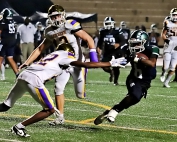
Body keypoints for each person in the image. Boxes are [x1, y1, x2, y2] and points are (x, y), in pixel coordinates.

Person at [0, 43, 126, 137]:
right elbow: (86, 65)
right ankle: (19, 127)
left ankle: (18, 126)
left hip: (23, 75)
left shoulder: (52, 55)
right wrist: (110, 63)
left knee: (6, 105)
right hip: (34, 79)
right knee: (49, 110)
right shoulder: (66, 56)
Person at [19, 5, 99, 125]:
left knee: (80, 95)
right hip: (62, 63)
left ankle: (82, 83)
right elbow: (40, 49)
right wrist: (27, 61)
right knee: (58, 88)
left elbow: (89, 39)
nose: (56, 18)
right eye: (53, 16)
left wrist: (94, 58)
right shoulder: (49, 31)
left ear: (63, 15)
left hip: (77, 62)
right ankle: (60, 117)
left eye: (57, 15)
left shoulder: (70, 24)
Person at [94, 30, 159, 125]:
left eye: (136, 43)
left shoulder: (152, 48)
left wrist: (138, 59)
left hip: (145, 81)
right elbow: (121, 59)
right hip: (133, 78)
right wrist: (111, 62)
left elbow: (152, 63)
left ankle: (110, 111)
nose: (134, 46)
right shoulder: (129, 50)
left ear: (144, 42)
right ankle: (114, 112)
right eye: (133, 43)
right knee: (135, 95)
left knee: (134, 100)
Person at [97, 17, 127, 86]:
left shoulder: (117, 31)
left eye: (109, 23)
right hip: (107, 51)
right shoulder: (103, 31)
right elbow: (100, 41)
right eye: (106, 23)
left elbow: (123, 41)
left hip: (116, 51)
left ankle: (115, 81)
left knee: (116, 67)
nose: (107, 25)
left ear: (113, 24)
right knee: (103, 65)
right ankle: (111, 72)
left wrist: (118, 44)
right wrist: (98, 47)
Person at [0, 8, 19, 80]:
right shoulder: (13, 22)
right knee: (10, 58)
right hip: (12, 41)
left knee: (0, 58)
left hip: (5, 41)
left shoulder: (3, 22)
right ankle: (17, 74)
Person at [160, 8, 177, 88]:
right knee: (166, 67)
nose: (175, 16)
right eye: (174, 15)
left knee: (173, 67)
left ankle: (166, 82)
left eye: (176, 15)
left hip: (176, 47)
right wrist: (166, 40)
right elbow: (163, 34)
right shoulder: (167, 22)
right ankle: (163, 72)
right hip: (169, 46)